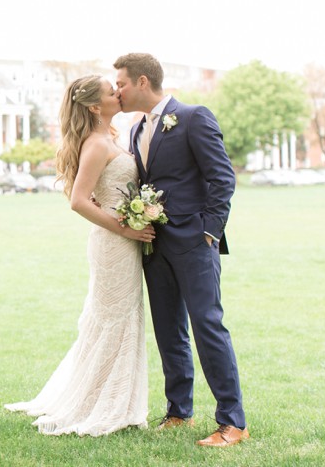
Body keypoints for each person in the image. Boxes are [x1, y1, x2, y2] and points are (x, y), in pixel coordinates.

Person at [5, 75, 154, 436]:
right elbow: (77, 200)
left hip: (123, 239)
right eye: (109, 92)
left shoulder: (111, 138)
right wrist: (125, 228)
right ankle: (98, 403)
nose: (117, 94)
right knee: (112, 320)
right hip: (113, 242)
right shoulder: (96, 144)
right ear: (93, 106)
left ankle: (116, 398)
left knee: (119, 318)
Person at [113, 52, 249, 447]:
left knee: (208, 327)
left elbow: (222, 178)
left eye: (120, 83)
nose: (116, 90)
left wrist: (209, 232)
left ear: (141, 82)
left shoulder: (193, 116)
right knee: (168, 330)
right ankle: (178, 412)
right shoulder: (136, 129)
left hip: (194, 244)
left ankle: (233, 422)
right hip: (154, 247)